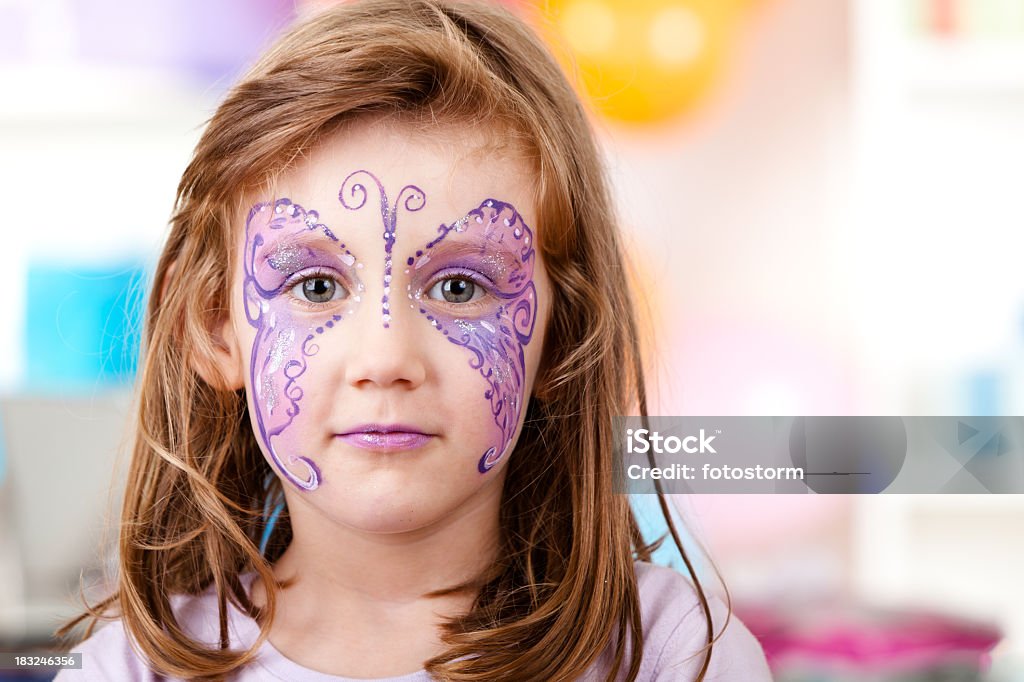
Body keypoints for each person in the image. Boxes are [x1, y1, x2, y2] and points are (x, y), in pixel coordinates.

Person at [55, 1, 771, 679]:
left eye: (460, 288)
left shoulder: (669, 656)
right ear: (213, 325)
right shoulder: (130, 669)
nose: (387, 359)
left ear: (562, 336)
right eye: (315, 287)